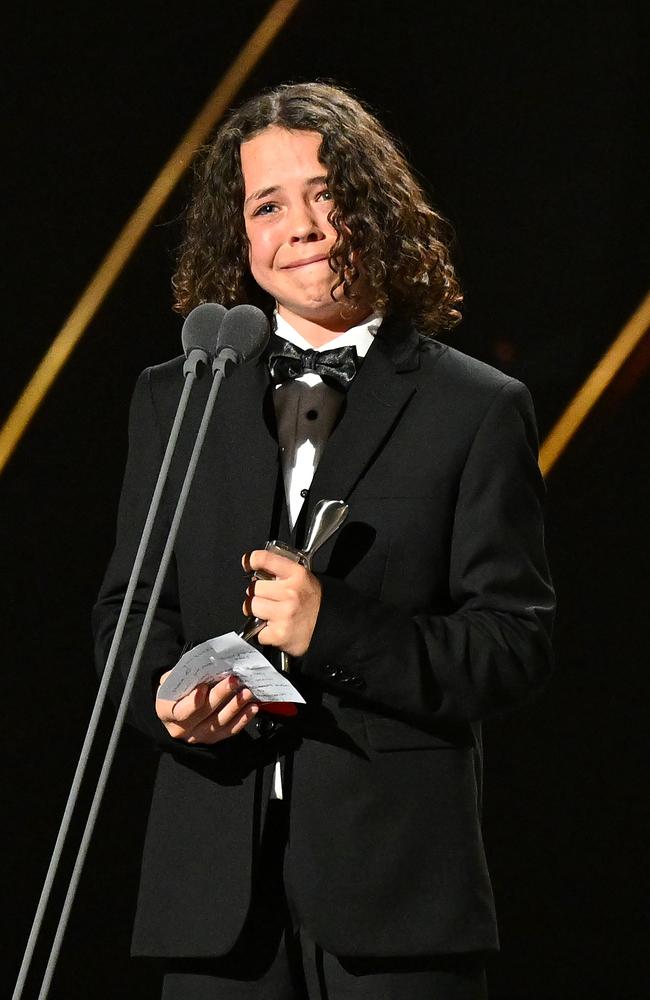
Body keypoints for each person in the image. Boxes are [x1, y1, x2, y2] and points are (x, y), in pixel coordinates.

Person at [93, 81, 555, 1000]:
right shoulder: (177, 396)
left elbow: (514, 643)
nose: (299, 224)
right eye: (268, 204)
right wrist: (166, 699)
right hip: (212, 905)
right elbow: (129, 613)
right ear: (242, 237)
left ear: (375, 208)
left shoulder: (477, 407)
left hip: (397, 902)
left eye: (326, 192)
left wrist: (330, 628)